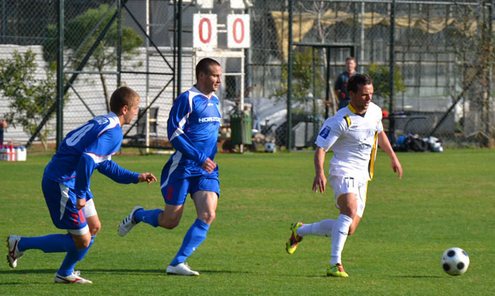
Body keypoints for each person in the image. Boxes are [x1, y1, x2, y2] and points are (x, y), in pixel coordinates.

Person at [6, 86, 158, 284]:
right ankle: (20, 244)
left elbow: (103, 164)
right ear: (124, 109)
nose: (138, 112)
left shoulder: (103, 122)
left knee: (93, 227)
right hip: (62, 183)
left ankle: (65, 273)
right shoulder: (114, 132)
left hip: (71, 181)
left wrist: (136, 176)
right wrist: (80, 193)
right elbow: (87, 159)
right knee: (82, 239)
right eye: (136, 108)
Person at [286, 74, 403, 277]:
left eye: (371, 94)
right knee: (349, 209)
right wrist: (319, 172)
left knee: (348, 228)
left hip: (363, 176)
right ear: (352, 94)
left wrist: (393, 157)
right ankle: (334, 263)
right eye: (365, 95)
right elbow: (321, 149)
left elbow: (379, 133)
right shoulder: (340, 120)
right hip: (342, 170)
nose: (369, 98)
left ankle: (300, 230)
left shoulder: (374, 111)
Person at [117, 58, 222, 276]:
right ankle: (139, 215)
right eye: (214, 75)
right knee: (170, 220)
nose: (218, 80)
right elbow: (174, 134)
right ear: (201, 76)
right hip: (182, 167)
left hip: (206, 170)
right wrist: (199, 155)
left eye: (219, 76)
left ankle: (177, 263)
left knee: (208, 214)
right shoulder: (188, 99)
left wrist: (207, 158)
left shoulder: (216, 102)